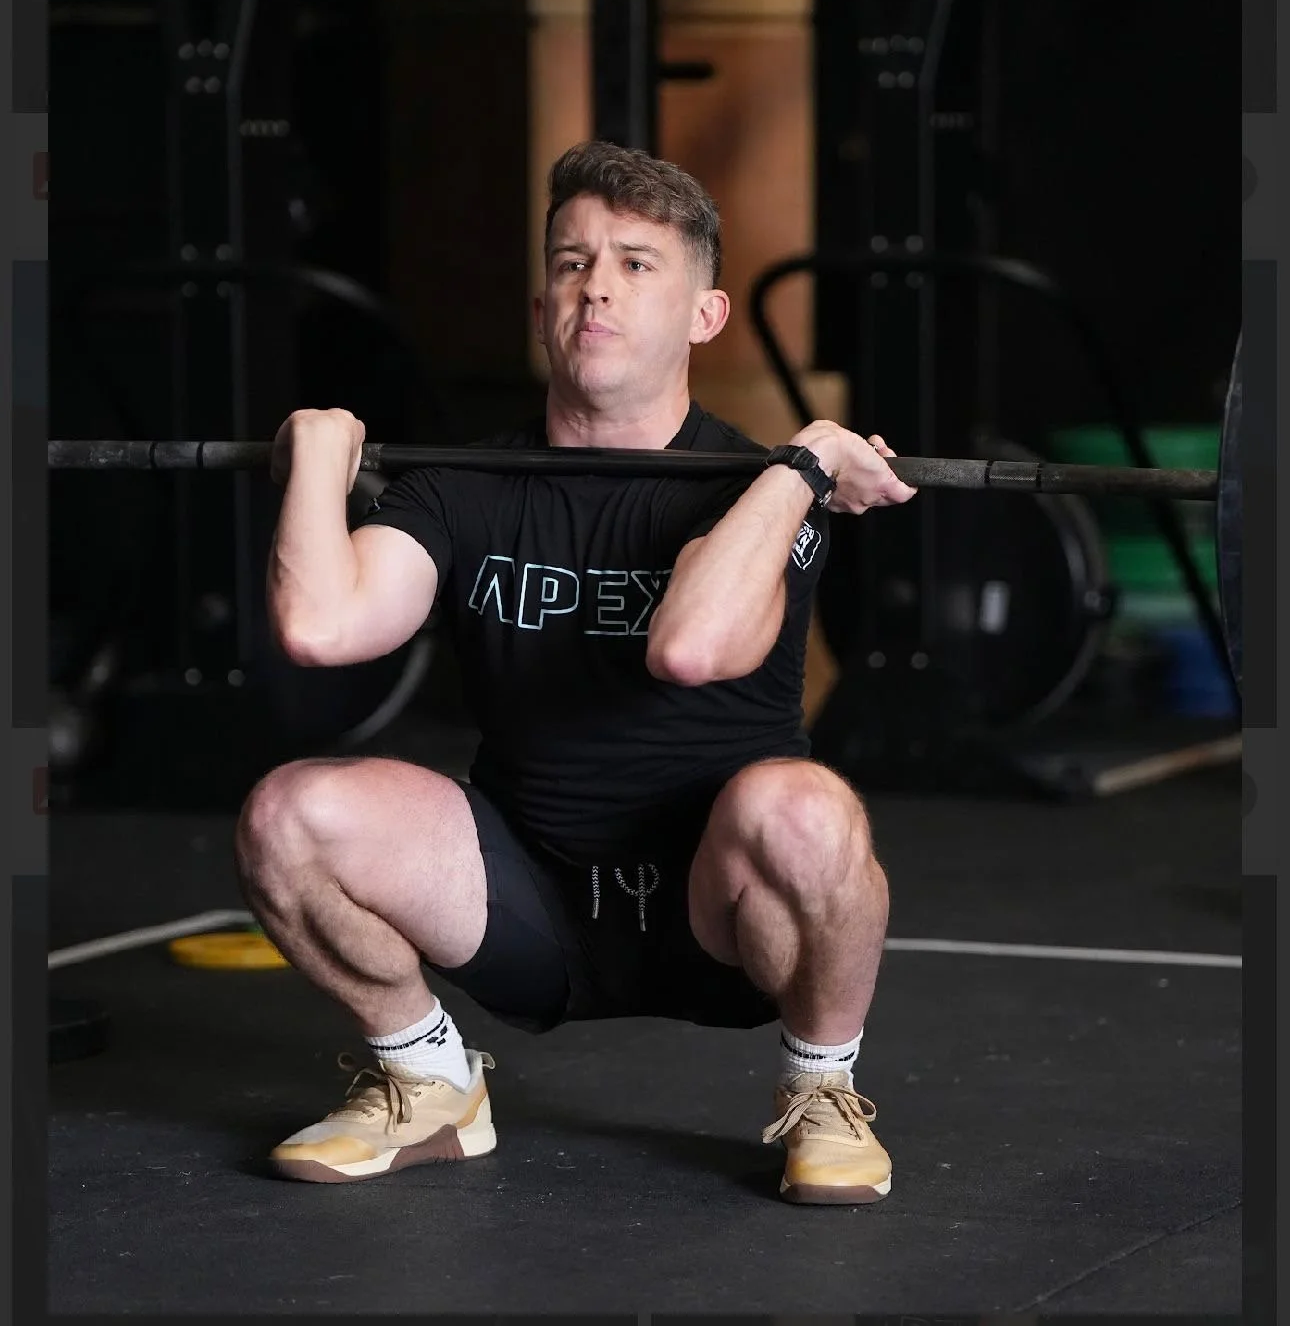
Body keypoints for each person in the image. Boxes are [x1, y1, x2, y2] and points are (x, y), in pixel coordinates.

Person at [236, 140, 917, 1202]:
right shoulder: (465, 489)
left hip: (723, 915)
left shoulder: (757, 492)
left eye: (637, 263)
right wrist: (319, 469)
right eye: (570, 260)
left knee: (807, 811)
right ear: (542, 303)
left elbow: (690, 647)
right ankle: (429, 1079)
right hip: (523, 901)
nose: (594, 282)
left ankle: (822, 1087)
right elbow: (323, 628)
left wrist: (804, 463)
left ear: (706, 315)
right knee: (289, 814)